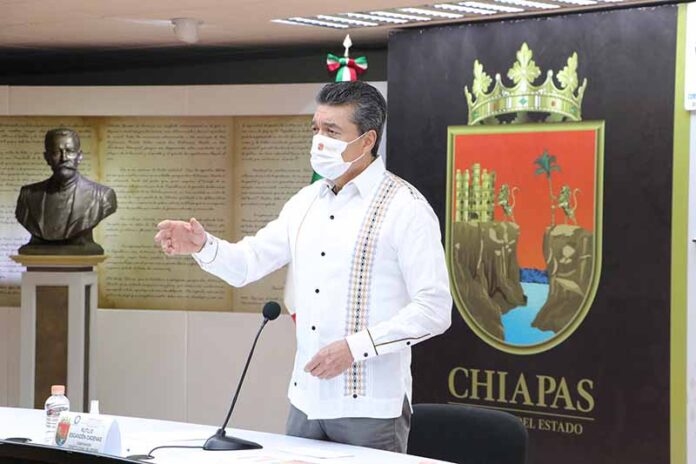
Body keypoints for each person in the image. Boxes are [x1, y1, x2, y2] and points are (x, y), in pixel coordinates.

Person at [154, 81, 452, 453]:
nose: (319, 141)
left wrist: (354, 347)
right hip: (305, 401)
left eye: (332, 131)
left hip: (370, 407)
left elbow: (434, 309)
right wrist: (202, 245)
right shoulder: (305, 201)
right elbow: (248, 263)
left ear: (367, 141)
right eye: (316, 129)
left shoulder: (405, 208)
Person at [15, 128, 117, 255]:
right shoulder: (28, 195)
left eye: (70, 151)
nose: (64, 158)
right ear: (47, 158)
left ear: (79, 156)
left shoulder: (102, 196)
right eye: (56, 152)